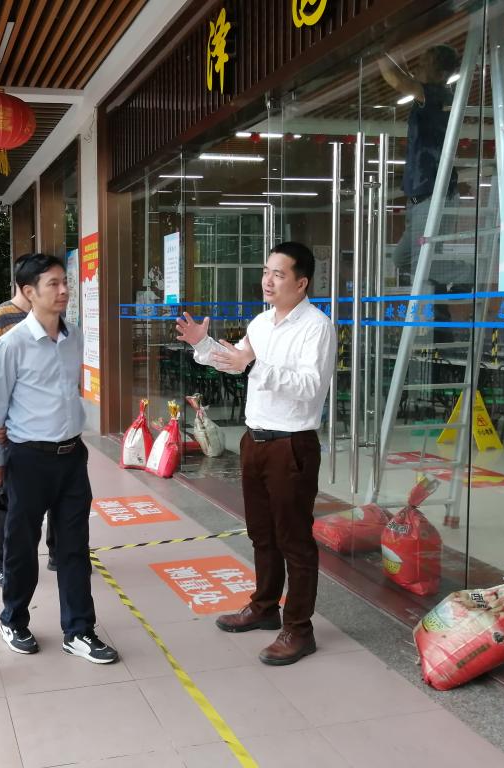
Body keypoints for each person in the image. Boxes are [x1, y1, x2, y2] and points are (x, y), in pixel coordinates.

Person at [176, 242, 335, 666]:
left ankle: (299, 629)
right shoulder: (261, 323)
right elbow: (235, 362)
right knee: (261, 534)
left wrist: (253, 365)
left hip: (292, 445)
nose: (268, 280)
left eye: (279, 274)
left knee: (294, 541)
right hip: (255, 440)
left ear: (301, 283)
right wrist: (204, 344)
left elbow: (310, 388)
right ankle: (265, 607)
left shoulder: (317, 327)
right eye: (266, 271)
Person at [0, 253, 119, 664]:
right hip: (28, 459)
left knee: (74, 547)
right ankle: (13, 620)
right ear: (29, 292)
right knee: (21, 547)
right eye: (53, 284)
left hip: (71, 456)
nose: (63, 291)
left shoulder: (74, 337)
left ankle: (79, 630)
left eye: (65, 282)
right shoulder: (11, 345)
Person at [380, 45, 471, 338]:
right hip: (420, 196)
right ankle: (451, 291)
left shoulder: (436, 95)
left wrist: (377, 51)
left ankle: (470, 276)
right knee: (403, 259)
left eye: (425, 63)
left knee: (425, 264)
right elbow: (405, 76)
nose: (418, 68)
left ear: (442, 73)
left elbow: (397, 80)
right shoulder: (434, 95)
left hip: (434, 194)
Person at [0, 258, 56, 587]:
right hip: (14, 429)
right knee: (9, 498)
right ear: (27, 286)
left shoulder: (51, 317)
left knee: (56, 490)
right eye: (48, 282)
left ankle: (57, 552)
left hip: (50, 426)